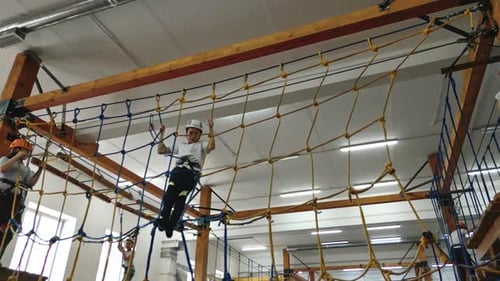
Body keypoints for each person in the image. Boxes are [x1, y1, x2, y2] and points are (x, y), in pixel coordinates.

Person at [156, 119, 215, 238]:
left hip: (191, 173)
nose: (193, 136)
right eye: (191, 133)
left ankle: (171, 224)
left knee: (180, 199)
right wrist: (161, 134)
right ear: (187, 133)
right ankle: (164, 220)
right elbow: (160, 150)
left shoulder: (201, 145)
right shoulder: (180, 146)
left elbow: (211, 146)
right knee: (169, 196)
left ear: (200, 135)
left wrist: (211, 129)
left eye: (196, 133)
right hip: (178, 172)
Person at [0, 138, 41, 259]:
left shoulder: (25, 168)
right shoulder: (5, 159)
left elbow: (30, 182)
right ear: (16, 149)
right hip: (2, 196)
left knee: (8, 233)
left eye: (28, 152)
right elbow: (2, 169)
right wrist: (17, 156)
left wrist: (40, 169)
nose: (27, 154)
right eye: (25, 151)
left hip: (15, 200)